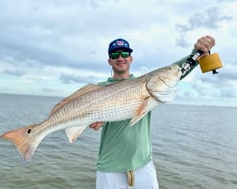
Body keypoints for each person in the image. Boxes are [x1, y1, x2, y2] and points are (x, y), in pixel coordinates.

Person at [89, 36, 215, 189]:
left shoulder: (146, 82)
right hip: (109, 168)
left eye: (125, 54)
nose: (120, 57)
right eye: (115, 55)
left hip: (143, 166)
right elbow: (90, 119)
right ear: (109, 61)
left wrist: (196, 53)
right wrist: (94, 121)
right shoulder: (99, 89)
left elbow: (174, 72)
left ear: (131, 58)